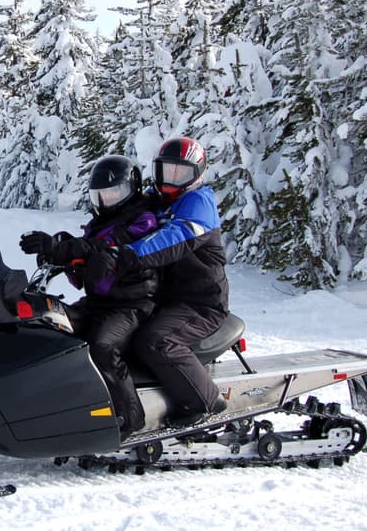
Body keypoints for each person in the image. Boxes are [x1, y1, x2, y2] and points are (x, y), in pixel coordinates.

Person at [89, 137, 230, 428]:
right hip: (165, 298)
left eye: (180, 173)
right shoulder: (157, 199)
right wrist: (75, 250)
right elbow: (123, 221)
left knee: (156, 340)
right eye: (165, 170)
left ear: (197, 174)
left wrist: (124, 256)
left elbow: (173, 238)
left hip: (200, 303)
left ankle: (204, 402)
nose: (170, 179)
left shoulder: (199, 203)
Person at [19, 155, 157, 438]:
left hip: (132, 305)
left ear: (130, 190)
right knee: (54, 327)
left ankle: (130, 419)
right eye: (100, 195)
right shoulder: (100, 223)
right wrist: (57, 253)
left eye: (113, 193)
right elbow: (87, 256)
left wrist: (63, 248)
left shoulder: (143, 220)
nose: (105, 200)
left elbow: (106, 247)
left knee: (102, 346)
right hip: (100, 303)